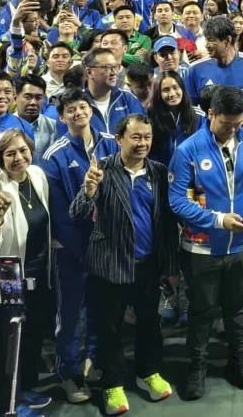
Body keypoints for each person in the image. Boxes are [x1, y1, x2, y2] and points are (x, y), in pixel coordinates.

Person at [170, 86, 243, 399]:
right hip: (202, 249)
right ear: (211, 114)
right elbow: (177, 200)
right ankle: (197, 364)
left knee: (239, 309)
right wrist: (217, 219)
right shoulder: (187, 150)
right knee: (202, 311)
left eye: (237, 124)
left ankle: (238, 357)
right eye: (226, 124)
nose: (232, 130)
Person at [73, 113, 176, 415]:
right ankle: (113, 385)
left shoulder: (159, 172)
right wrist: (89, 191)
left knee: (149, 324)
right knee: (110, 330)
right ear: (119, 139)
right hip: (109, 266)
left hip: (147, 266)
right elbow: (76, 214)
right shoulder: (101, 170)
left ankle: (148, 373)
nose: (143, 143)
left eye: (147, 137)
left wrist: (170, 268)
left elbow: (167, 226)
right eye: (136, 137)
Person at [42, 87, 119, 403]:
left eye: (82, 107)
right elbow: (59, 215)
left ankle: (94, 361)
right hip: (72, 251)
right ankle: (70, 374)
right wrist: (82, 251)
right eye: (70, 109)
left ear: (91, 110)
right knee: (70, 315)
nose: (78, 113)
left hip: (107, 248)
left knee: (101, 309)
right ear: (61, 117)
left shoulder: (112, 144)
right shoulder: (53, 156)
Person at [0, 130, 55, 417]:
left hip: (37, 270)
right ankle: (6, 405)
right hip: (7, 272)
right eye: (10, 154)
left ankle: (23, 391)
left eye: (22, 150)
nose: (18, 158)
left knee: (31, 336)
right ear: (0, 159)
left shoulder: (37, 176)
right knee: (8, 343)